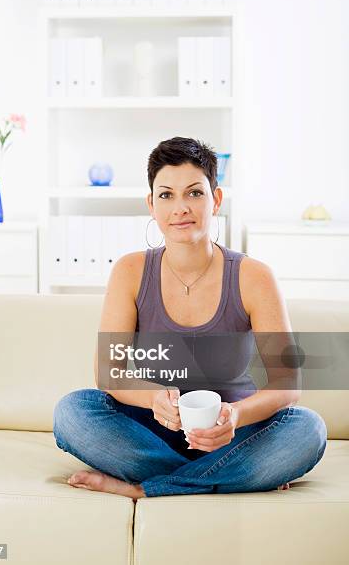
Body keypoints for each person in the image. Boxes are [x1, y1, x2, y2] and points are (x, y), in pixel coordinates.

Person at [53, 137, 327, 500]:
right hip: (150, 430)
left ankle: (145, 487)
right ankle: (235, 474)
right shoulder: (130, 271)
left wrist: (234, 416)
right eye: (166, 195)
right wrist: (154, 399)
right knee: (72, 411)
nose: (180, 207)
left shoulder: (254, 276)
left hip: (232, 432)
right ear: (151, 205)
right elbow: (109, 370)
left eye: (194, 193)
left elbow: (288, 382)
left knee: (308, 429)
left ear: (215, 199)